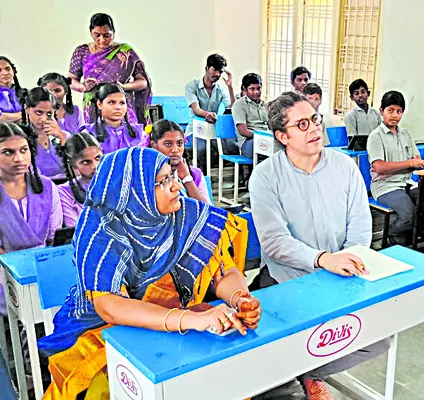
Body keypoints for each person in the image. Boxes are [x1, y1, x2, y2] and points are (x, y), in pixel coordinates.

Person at [38, 147, 262, 399]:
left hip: (172, 320)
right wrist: (191, 319)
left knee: (220, 375)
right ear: (133, 192)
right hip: (100, 332)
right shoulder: (101, 232)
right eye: (162, 182)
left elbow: (223, 271)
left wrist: (239, 298)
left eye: (172, 176)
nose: (176, 186)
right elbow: (110, 307)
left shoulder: (187, 215)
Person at [250, 91, 387, 400]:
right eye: (301, 124)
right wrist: (323, 260)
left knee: (379, 338)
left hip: (342, 276)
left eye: (314, 119)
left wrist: (349, 260)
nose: (314, 128)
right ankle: (295, 369)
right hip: (287, 281)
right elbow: (274, 242)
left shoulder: (345, 167)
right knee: (276, 348)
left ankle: (307, 370)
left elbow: (361, 225)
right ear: (282, 136)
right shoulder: (266, 176)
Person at [0, 122, 62, 314]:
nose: (18, 159)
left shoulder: (47, 187)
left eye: (24, 150)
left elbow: (54, 234)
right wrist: (17, 266)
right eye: (8, 152)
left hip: (42, 263)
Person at [68, 13, 152, 124]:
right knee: (96, 139)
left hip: (120, 107)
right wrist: (82, 87)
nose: (102, 40)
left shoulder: (125, 52)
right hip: (94, 106)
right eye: (97, 35)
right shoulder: (82, 52)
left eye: (106, 35)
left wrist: (124, 87)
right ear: (90, 33)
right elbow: (70, 80)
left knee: (126, 137)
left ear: (113, 32)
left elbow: (143, 82)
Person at [367, 91, 424, 245]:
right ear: (381, 111)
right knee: (409, 214)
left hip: (406, 182)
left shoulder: (405, 134)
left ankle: (412, 240)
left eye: (399, 111)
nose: (395, 115)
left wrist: (406, 165)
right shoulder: (375, 136)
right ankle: (390, 234)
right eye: (390, 110)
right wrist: (408, 164)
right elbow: (379, 167)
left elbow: (418, 160)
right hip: (385, 186)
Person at [186, 53, 238, 172]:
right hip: (195, 130)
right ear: (206, 69)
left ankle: (238, 180)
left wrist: (230, 87)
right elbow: (196, 109)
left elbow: (232, 107)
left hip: (214, 130)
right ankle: (203, 181)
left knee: (230, 147)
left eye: (220, 71)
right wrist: (206, 115)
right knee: (202, 150)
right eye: (215, 70)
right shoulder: (192, 86)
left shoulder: (221, 89)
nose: (217, 74)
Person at [149, 119, 211, 203]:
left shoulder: (194, 174)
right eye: (168, 144)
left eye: (179, 144)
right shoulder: (147, 175)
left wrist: (187, 178)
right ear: (154, 145)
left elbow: (207, 211)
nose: (175, 150)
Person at [22, 87, 70, 180]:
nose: (44, 119)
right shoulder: (21, 139)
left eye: (49, 114)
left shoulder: (64, 136)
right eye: (39, 112)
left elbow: (77, 171)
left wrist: (62, 138)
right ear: (27, 109)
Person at [84, 83, 144, 154]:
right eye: (112, 102)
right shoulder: (88, 133)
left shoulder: (138, 132)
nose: (118, 107)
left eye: (122, 103)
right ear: (99, 104)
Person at [58, 133, 103, 227]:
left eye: (98, 158)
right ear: (73, 164)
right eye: (86, 162)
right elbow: (75, 229)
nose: (95, 166)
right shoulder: (64, 192)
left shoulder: (119, 183)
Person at [231, 73, 268, 159]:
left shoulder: (264, 105)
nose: (256, 92)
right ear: (245, 89)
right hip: (248, 142)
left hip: (266, 139)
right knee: (267, 147)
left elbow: (270, 126)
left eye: (259, 88)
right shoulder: (239, 104)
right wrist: (262, 136)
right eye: (252, 89)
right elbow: (243, 131)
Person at [0, 57, 23, 123]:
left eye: (7, 69)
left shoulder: (26, 94)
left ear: (13, 71)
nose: (5, 73)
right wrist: (22, 115)